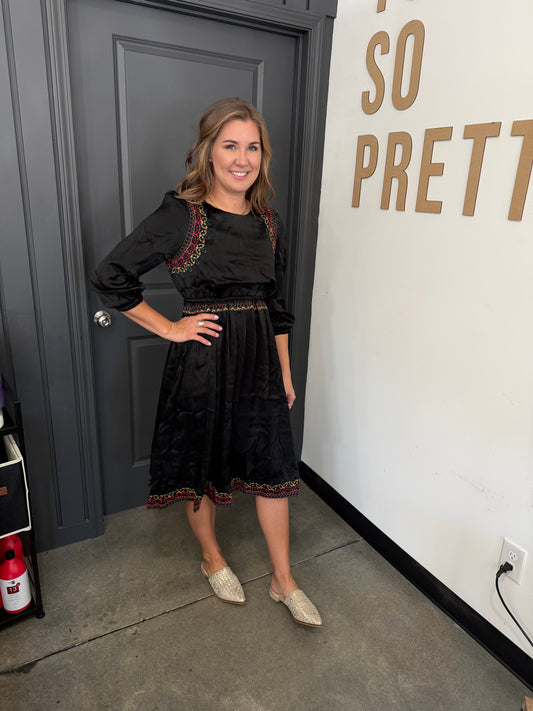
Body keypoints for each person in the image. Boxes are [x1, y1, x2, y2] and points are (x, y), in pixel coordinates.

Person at [91, 97, 322, 628]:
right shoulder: (181, 215)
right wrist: (171, 327)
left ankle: (284, 579)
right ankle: (212, 557)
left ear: (263, 156)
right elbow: (111, 275)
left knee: (271, 464)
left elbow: (278, 308)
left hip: (261, 363)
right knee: (202, 461)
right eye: (230, 145)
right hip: (204, 362)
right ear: (208, 152)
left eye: (253, 148)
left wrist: (285, 374)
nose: (242, 159)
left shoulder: (269, 223)